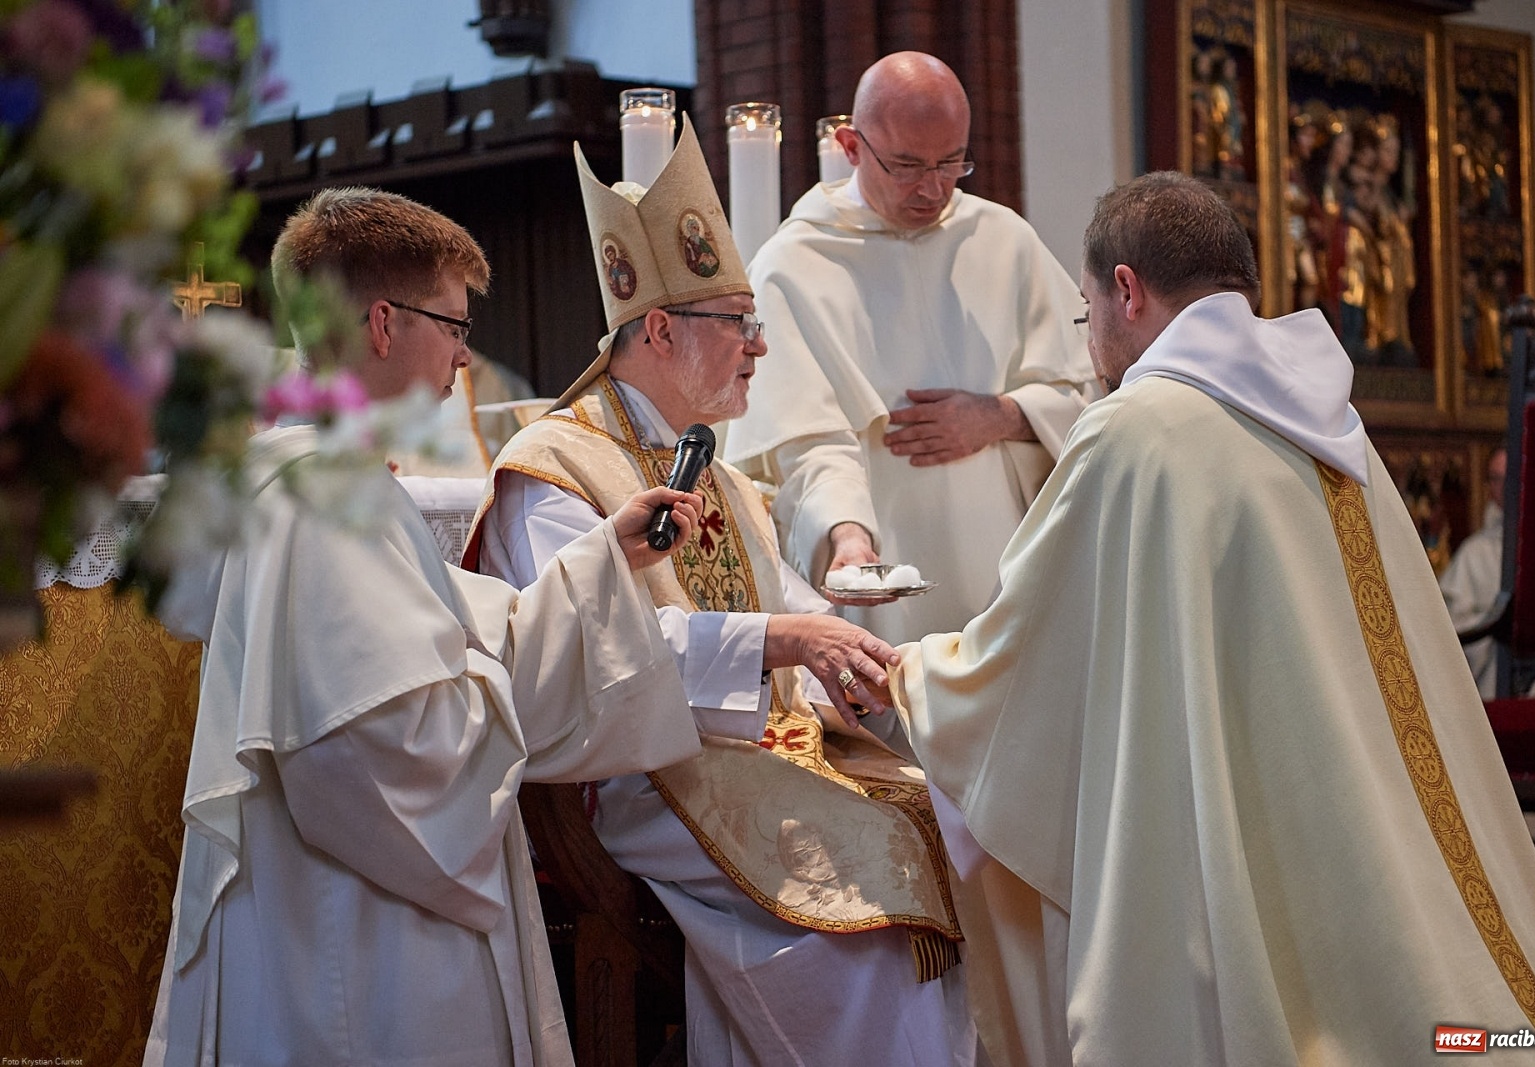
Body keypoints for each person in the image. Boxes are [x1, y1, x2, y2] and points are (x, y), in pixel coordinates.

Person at [887, 172, 1535, 1065]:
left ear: (1125, 290)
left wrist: (909, 673)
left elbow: (1023, 652)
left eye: (1085, 309)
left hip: (1238, 809)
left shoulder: (1133, 430)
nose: (1091, 339)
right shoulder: (1327, 419)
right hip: (1344, 797)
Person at [144, 187, 710, 1067]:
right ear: (381, 323)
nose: (461, 354)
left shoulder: (328, 481)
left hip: (346, 917)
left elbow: (448, 630)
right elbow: (371, 747)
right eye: (450, 323)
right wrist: (490, 704)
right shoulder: (322, 501)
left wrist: (604, 558)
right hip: (361, 947)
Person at [463, 124, 975, 1067]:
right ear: (659, 328)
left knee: (962, 833)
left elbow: (791, 616)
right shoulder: (554, 469)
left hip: (765, 755)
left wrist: (853, 672)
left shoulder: (724, 476)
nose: (761, 345)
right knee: (871, 938)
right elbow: (583, 651)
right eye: (740, 321)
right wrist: (784, 639)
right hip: (643, 774)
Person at [724, 51, 1099, 645]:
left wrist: (1001, 416)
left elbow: (1093, 392)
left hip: (1009, 574)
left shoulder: (1004, 241)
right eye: (907, 165)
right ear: (851, 147)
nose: (933, 187)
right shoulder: (793, 265)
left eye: (952, 162)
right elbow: (806, 444)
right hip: (882, 574)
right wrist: (847, 537)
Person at [1440, 445, 1508, 698]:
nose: (1501, 486)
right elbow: (1449, 627)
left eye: (1507, 477)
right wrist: (1494, 624)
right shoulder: (1474, 552)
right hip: (1490, 679)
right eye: (1495, 478)